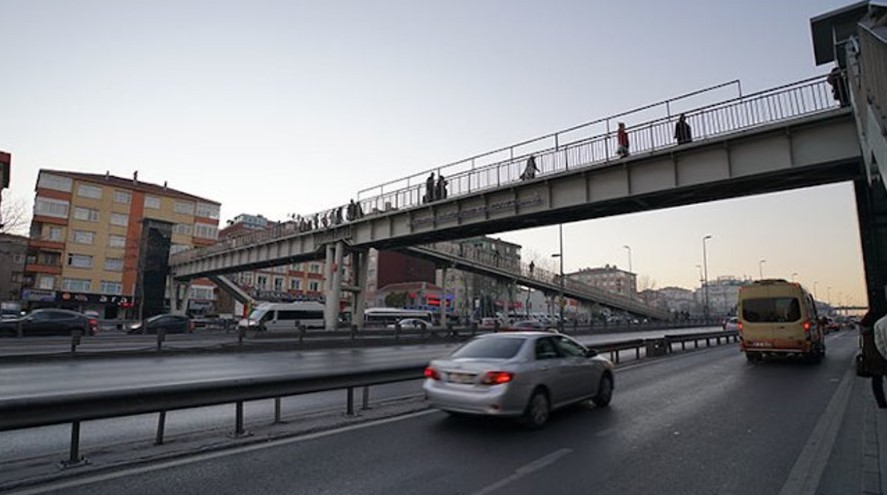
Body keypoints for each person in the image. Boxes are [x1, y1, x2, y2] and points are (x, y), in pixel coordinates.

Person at [860, 309, 887, 408]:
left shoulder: (868, 327)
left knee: (877, 380)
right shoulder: (881, 321)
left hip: (873, 356)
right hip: (881, 354)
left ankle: (881, 403)